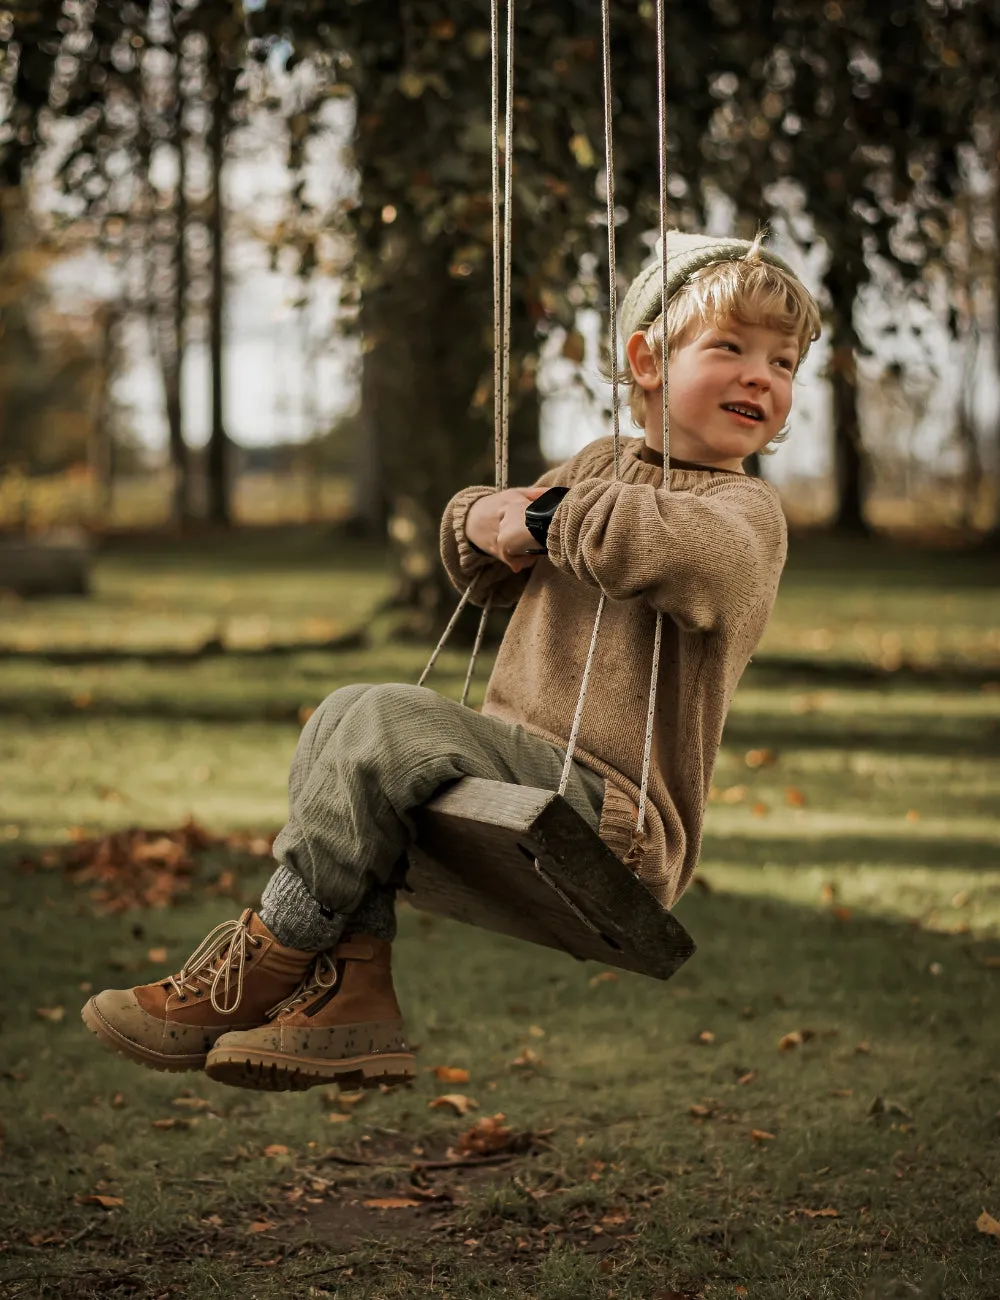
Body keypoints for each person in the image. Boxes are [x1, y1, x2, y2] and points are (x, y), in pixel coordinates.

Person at [81, 230, 822, 1093]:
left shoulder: (747, 512)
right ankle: (353, 994)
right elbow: (490, 552)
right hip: (524, 777)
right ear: (646, 360)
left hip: (615, 819)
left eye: (783, 362)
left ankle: (272, 954)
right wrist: (479, 521)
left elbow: (685, 559)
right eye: (729, 348)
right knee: (343, 712)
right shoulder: (597, 466)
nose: (759, 376)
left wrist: (547, 521)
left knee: (389, 721)